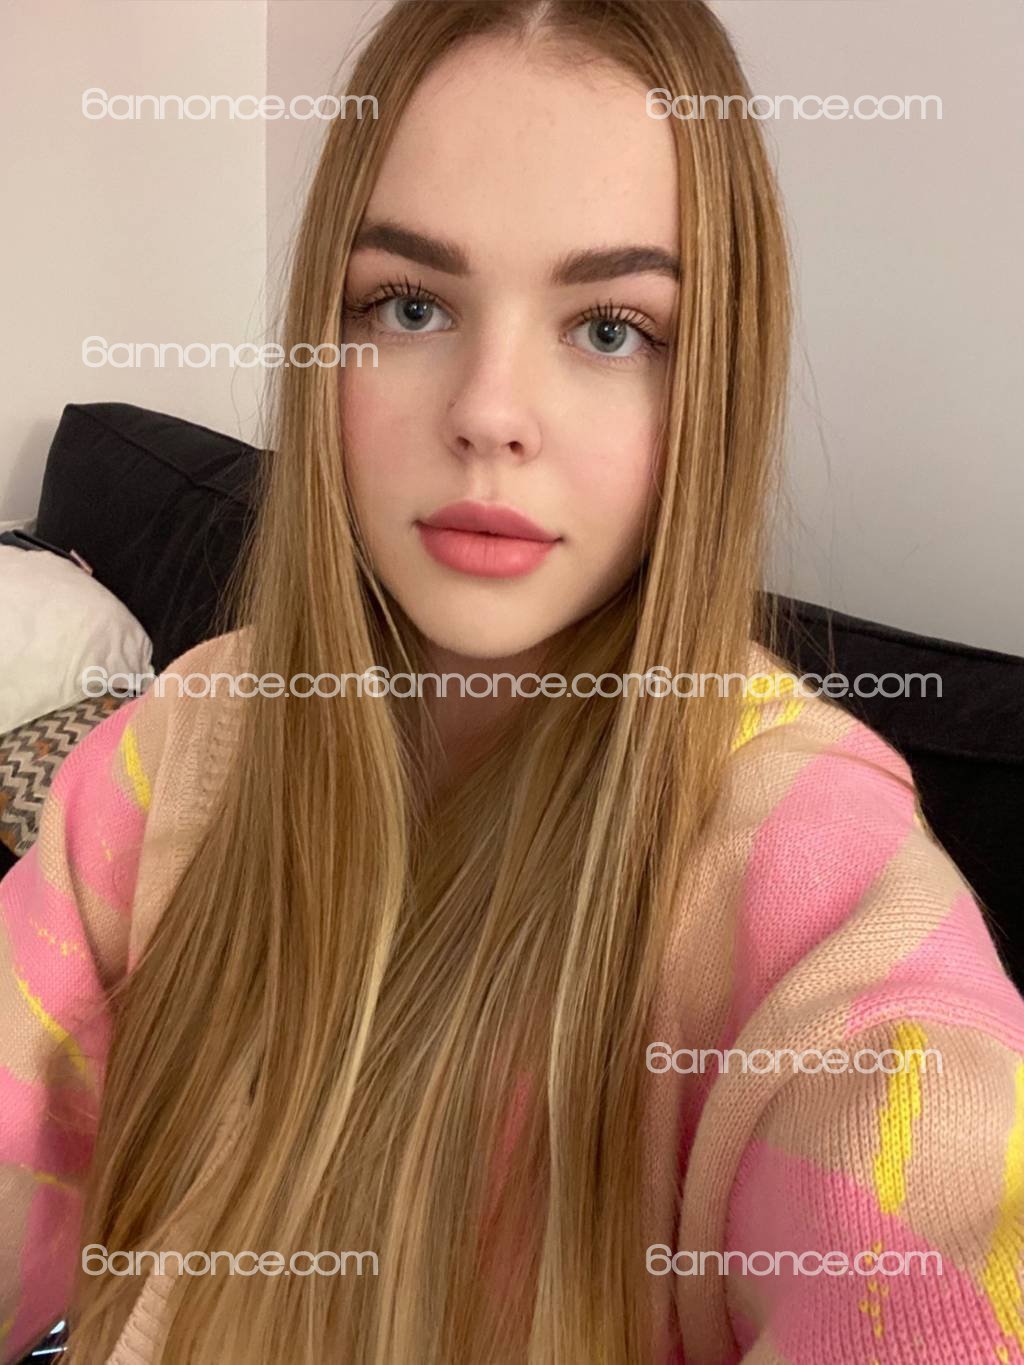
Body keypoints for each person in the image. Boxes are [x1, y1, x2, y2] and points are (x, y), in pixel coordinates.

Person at [2, 2, 1022, 1362]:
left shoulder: (807, 854)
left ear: (712, 381)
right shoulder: (190, 733)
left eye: (610, 328)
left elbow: (928, 1218)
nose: (488, 410)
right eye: (411, 306)